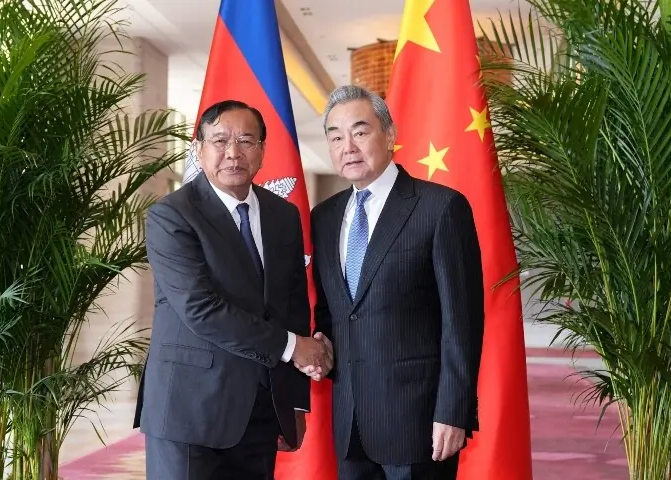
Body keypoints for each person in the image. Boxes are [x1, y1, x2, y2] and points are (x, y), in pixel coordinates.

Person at [133, 100, 333, 480]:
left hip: (260, 411)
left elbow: (292, 306)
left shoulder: (282, 215)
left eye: (246, 141)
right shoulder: (172, 215)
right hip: (190, 413)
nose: (233, 153)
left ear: (262, 150)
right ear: (198, 148)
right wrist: (294, 347)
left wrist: (292, 404)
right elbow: (201, 309)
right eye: (220, 140)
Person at [303, 85, 484, 480]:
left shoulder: (440, 208)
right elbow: (336, 314)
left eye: (359, 131)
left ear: (389, 135)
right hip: (350, 421)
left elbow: (462, 322)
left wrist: (453, 411)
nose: (347, 146)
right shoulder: (324, 217)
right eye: (335, 136)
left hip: (419, 422)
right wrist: (322, 347)